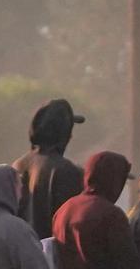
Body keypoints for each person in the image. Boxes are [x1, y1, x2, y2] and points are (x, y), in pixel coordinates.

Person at [12, 99, 87, 240]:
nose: (71, 136)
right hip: (52, 257)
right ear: (63, 134)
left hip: (20, 254)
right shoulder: (66, 171)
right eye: (69, 130)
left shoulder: (17, 166)